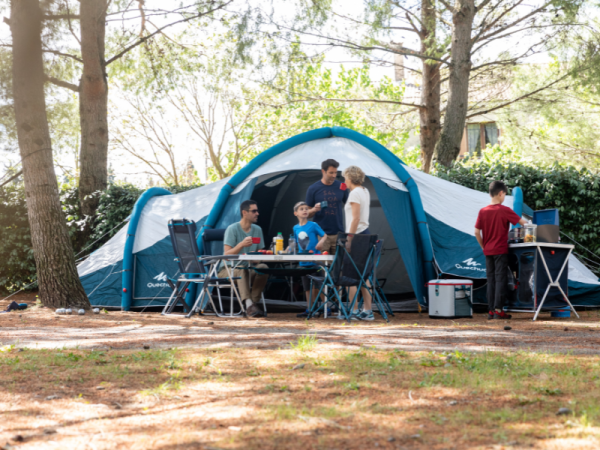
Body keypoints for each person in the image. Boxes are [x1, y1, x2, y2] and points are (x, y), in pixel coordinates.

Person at [474, 181, 528, 320]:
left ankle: (491, 311)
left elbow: (476, 232)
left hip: (488, 251)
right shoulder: (504, 210)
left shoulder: (483, 211)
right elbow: (524, 223)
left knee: (491, 280)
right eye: (504, 194)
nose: (504, 197)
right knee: (500, 280)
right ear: (500, 193)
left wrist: (483, 246)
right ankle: (499, 310)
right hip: (500, 251)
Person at [218, 199, 269, 317]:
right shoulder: (232, 229)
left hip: (248, 268)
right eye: (254, 211)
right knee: (242, 269)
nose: (257, 213)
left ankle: (253, 303)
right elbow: (226, 256)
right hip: (227, 270)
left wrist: (259, 258)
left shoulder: (257, 230)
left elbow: (258, 255)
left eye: (257, 211)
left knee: (263, 267)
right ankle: (249, 304)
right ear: (244, 213)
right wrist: (241, 244)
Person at [343, 165, 374, 321]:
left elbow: (355, 219)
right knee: (364, 274)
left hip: (356, 235)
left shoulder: (354, 193)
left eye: (345, 178)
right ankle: (368, 310)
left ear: (349, 178)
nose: (344, 181)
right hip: (365, 234)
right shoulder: (365, 191)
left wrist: (349, 238)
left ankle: (354, 310)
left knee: (350, 274)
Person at [292, 201, 328, 318]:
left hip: (315, 260)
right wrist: (289, 248)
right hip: (303, 261)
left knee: (319, 285)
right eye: (302, 209)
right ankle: (309, 309)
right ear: (295, 213)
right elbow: (295, 241)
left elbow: (324, 235)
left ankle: (326, 307)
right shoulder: (295, 227)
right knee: (307, 287)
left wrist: (321, 243)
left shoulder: (313, 225)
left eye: (306, 209)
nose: (305, 211)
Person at [306, 159, 349, 255]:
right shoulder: (313, 188)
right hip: (321, 235)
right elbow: (306, 214)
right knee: (323, 267)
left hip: (339, 234)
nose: (334, 175)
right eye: (331, 173)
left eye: (335, 172)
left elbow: (350, 207)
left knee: (339, 266)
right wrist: (314, 209)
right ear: (323, 171)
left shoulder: (342, 186)